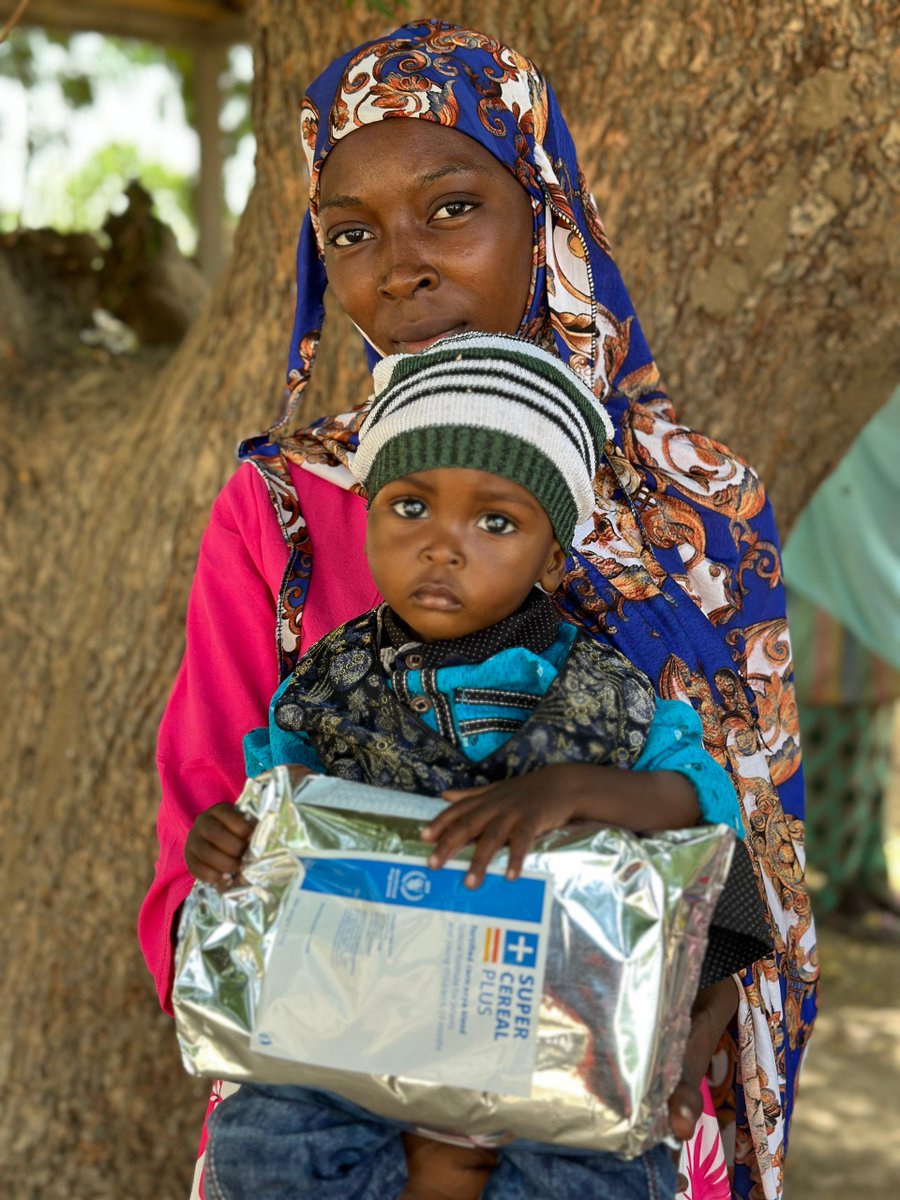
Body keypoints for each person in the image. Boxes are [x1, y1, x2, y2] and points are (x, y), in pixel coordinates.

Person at [138, 19, 817, 1200]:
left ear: (544, 211)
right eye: (351, 232)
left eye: (450, 208)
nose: (398, 265)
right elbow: (209, 834)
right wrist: (392, 1103)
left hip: (601, 1111)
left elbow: (741, 852)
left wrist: (624, 1082)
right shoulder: (284, 509)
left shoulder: (699, 517)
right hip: (327, 1102)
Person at [186, 332, 768, 1200]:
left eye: (495, 521)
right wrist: (230, 841)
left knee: (604, 1169)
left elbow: (701, 811)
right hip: (364, 1030)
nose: (443, 546)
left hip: (556, 1033)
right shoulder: (323, 686)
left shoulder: (602, 686)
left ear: (552, 553)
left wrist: (570, 790)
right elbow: (282, 821)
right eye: (410, 506)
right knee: (262, 1143)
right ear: (372, 511)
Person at [783, 386, 900, 930]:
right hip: (831, 564)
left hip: (870, 561)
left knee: (871, 736)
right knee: (825, 725)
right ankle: (827, 883)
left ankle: (861, 874)